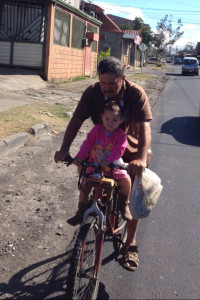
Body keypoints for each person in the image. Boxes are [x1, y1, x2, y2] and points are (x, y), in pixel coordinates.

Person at [54, 56, 152, 271]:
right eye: (103, 82)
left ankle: (130, 244)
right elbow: (76, 120)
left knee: (135, 190)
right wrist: (65, 149)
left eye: (112, 83)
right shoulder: (92, 92)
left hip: (131, 149)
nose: (106, 88)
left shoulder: (136, 94)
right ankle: (91, 209)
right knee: (88, 175)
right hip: (102, 149)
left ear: (122, 79)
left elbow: (145, 128)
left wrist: (141, 158)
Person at [67, 101, 132, 226]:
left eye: (114, 120)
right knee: (85, 186)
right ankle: (80, 213)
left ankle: (123, 207)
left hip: (112, 167)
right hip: (95, 166)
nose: (110, 122)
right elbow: (87, 144)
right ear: (102, 116)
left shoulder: (121, 135)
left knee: (126, 180)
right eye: (107, 118)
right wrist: (80, 157)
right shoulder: (96, 130)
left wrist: (109, 161)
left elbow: (120, 149)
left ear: (121, 120)